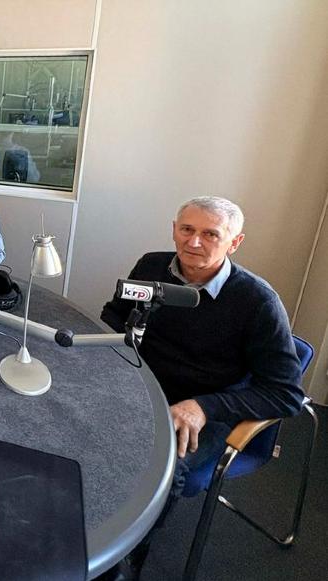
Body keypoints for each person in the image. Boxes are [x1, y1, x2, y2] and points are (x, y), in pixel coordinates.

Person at [98, 196, 304, 579]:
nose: (194, 242)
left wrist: (204, 407)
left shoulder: (258, 301)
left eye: (210, 234)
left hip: (206, 409)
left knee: (156, 467)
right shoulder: (151, 266)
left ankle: (124, 557)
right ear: (174, 229)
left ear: (235, 242)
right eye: (187, 229)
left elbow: (286, 394)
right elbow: (115, 314)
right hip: (137, 385)